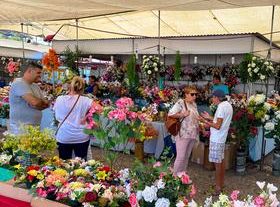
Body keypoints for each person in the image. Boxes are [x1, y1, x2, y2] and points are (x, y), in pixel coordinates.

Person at [199, 90, 233, 195]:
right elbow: (220, 122)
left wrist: (205, 122)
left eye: (212, 97)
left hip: (217, 139)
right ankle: (221, 184)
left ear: (217, 98)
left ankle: (218, 188)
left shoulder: (221, 107)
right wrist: (209, 118)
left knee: (217, 165)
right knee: (220, 163)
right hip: (221, 138)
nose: (211, 99)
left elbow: (217, 126)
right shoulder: (227, 105)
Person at [53, 76, 93, 160]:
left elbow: (56, 116)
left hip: (64, 135)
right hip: (81, 136)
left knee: (64, 163)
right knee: (82, 164)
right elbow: (100, 109)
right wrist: (86, 116)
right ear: (82, 88)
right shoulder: (86, 100)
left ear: (70, 86)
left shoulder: (59, 99)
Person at [9, 62, 49, 134]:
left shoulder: (35, 86)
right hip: (21, 128)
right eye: (38, 73)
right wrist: (38, 103)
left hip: (34, 127)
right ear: (29, 71)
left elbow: (46, 103)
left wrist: (38, 103)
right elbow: (35, 102)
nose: (40, 75)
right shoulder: (19, 83)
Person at [168, 85, 199, 175]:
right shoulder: (180, 103)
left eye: (195, 94)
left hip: (193, 134)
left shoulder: (194, 104)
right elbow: (171, 114)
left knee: (186, 156)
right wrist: (182, 114)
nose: (194, 96)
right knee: (181, 156)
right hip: (183, 134)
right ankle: (174, 177)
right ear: (186, 94)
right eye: (192, 94)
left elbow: (195, 118)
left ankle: (182, 176)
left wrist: (201, 125)